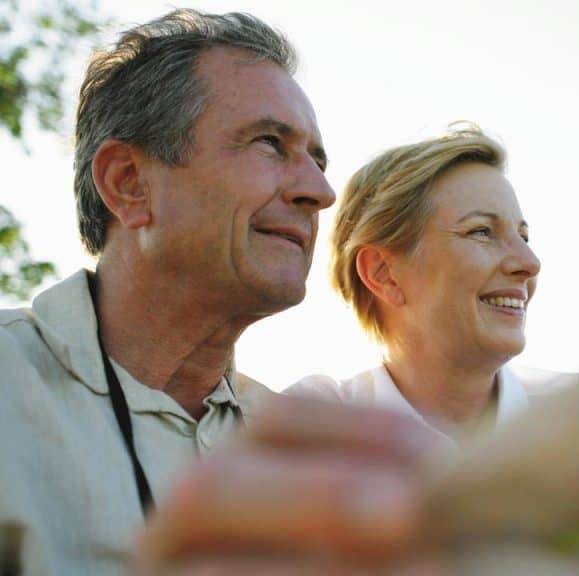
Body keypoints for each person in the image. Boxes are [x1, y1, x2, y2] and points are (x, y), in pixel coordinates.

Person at [0, 10, 430, 574]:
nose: (320, 192)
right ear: (129, 184)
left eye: (317, 160)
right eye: (270, 143)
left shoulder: (297, 453)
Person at [289, 127, 579, 447]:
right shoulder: (315, 429)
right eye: (482, 231)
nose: (529, 263)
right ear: (383, 272)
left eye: (523, 237)